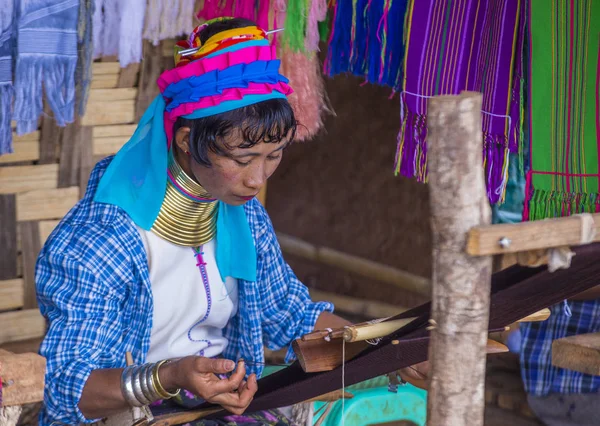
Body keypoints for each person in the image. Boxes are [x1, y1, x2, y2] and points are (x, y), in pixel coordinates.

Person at [35, 17, 349, 426]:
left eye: (273, 156)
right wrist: (170, 375)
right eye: (241, 159)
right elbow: (67, 388)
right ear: (186, 141)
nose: (257, 179)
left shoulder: (244, 216)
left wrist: (391, 350)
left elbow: (290, 315)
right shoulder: (102, 238)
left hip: (212, 410)